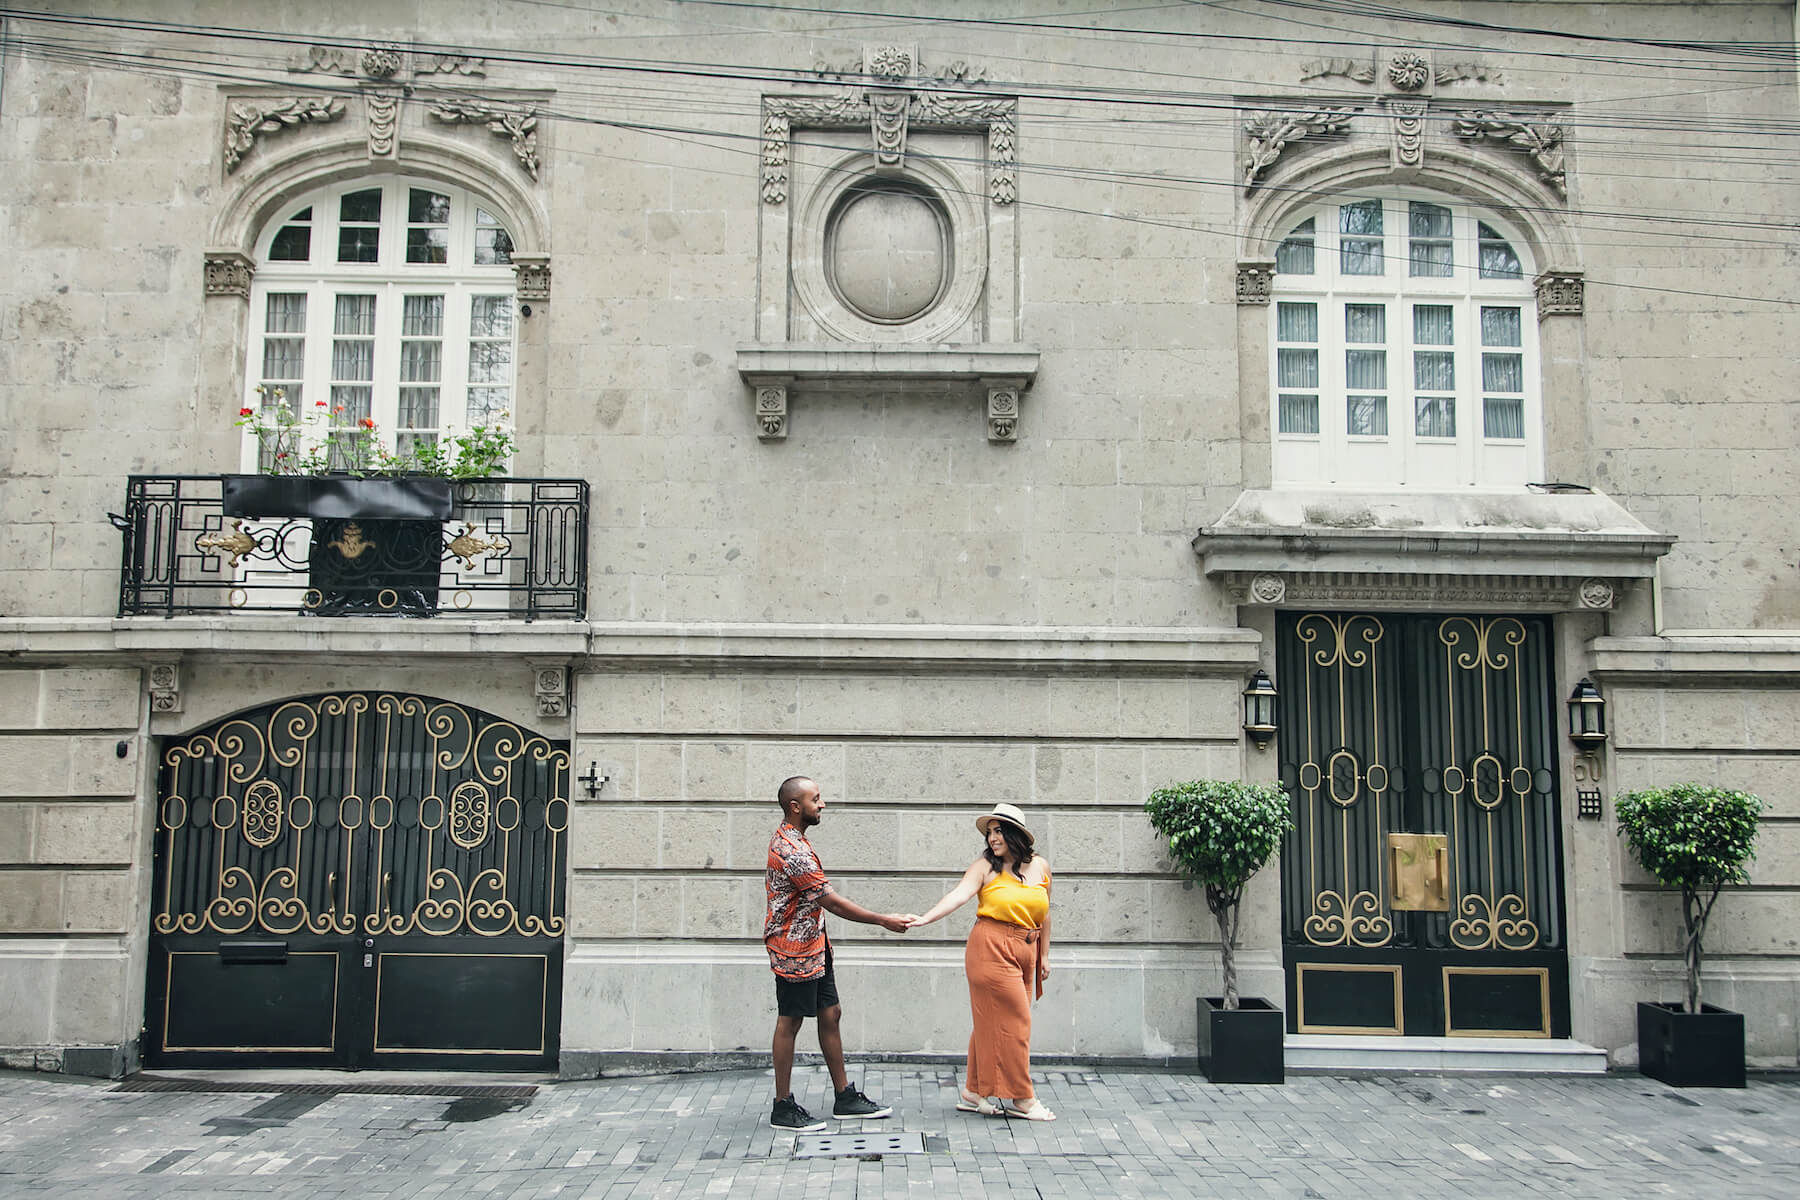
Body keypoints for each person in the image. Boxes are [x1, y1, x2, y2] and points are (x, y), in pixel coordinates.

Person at [764, 775, 913, 1132]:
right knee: (790, 1021)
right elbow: (831, 901)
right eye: (816, 799)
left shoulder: (796, 839)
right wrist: (882, 920)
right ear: (795, 807)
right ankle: (782, 1107)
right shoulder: (793, 851)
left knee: (830, 1014)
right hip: (794, 951)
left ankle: (844, 1097)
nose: (823, 804)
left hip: (815, 946)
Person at [907, 802, 1055, 1121]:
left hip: (1026, 950)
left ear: (1015, 834)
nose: (992, 838)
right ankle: (1022, 1097)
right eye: (989, 833)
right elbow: (958, 895)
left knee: (990, 1021)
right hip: (991, 947)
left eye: (998, 831)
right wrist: (925, 918)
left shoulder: (1041, 866)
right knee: (1017, 1022)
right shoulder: (985, 867)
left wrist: (1044, 954)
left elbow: (1044, 913)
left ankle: (974, 1092)